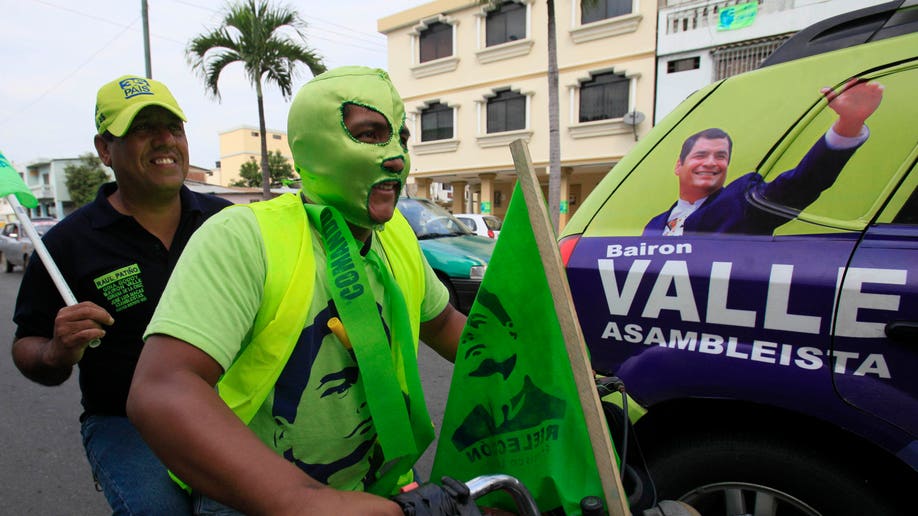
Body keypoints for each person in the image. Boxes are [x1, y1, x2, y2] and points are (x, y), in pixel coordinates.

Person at [127, 66, 467, 515]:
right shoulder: (243, 237)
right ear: (312, 146)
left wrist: (547, 361)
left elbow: (444, 325)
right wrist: (305, 502)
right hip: (256, 499)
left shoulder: (397, 235)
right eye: (370, 134)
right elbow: (163, 387)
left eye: (400, 138)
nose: (396, 157)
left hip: (385, 485)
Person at [11, 75, 232, 514]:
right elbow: (26, 345)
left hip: (228, 410)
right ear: (104, 149)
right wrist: (56, 351)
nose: (165, 140)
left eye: (174, 127)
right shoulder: (67, 244)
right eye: (143, 128)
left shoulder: (227, 225)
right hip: (124, 423)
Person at [643, 78, 884, 236]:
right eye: (701, 155)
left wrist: (849, 124)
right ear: (679, 165)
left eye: (720, 156)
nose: (711, 162)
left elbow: (801, 184)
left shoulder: (742, 201)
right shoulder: (654, 225)